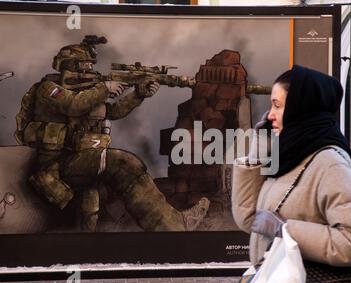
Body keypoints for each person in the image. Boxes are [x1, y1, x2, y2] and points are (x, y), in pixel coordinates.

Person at [16, 35, 209, 232]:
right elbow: (73, 104)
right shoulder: (48, 89)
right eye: (85, 65)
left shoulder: (86, 92)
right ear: (69, 65)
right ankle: (173, 227)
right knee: (123, 163)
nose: (91, 70)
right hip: (54, 167)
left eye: (91, 65)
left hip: (79, 161)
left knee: (89, 209)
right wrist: (104, 88)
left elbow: (112, 112)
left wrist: (138, 94)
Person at [232, 65, 351, 267]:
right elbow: (250, 220)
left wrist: (285, 231)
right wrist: (259, 152)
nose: (270, 115)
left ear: (300, 109)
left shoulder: (330, 163)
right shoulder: (289, 157)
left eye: (278, 105)